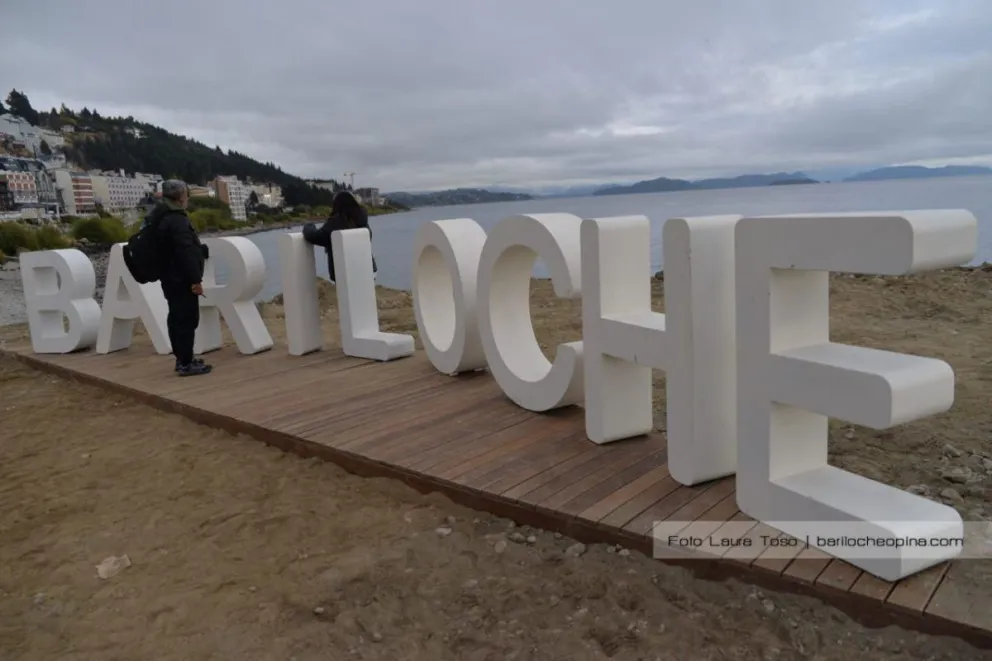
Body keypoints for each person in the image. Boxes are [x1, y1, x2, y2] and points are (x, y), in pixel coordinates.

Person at [144, 179, 212, 376]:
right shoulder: (177, 219)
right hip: (181, 278)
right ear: (182, 196)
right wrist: (195, 280)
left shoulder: (158, 216)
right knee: (186, 319)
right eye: (187, 194)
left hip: (168, 276)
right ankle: (185, 363)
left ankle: (182, 358)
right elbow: (185, 252)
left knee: (176, 317)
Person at [302, 191, 377, 282]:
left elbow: (316, 236)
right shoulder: (361, 220)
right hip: (367, 268)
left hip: (344, 273)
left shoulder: (337, 221)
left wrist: (309, 226)